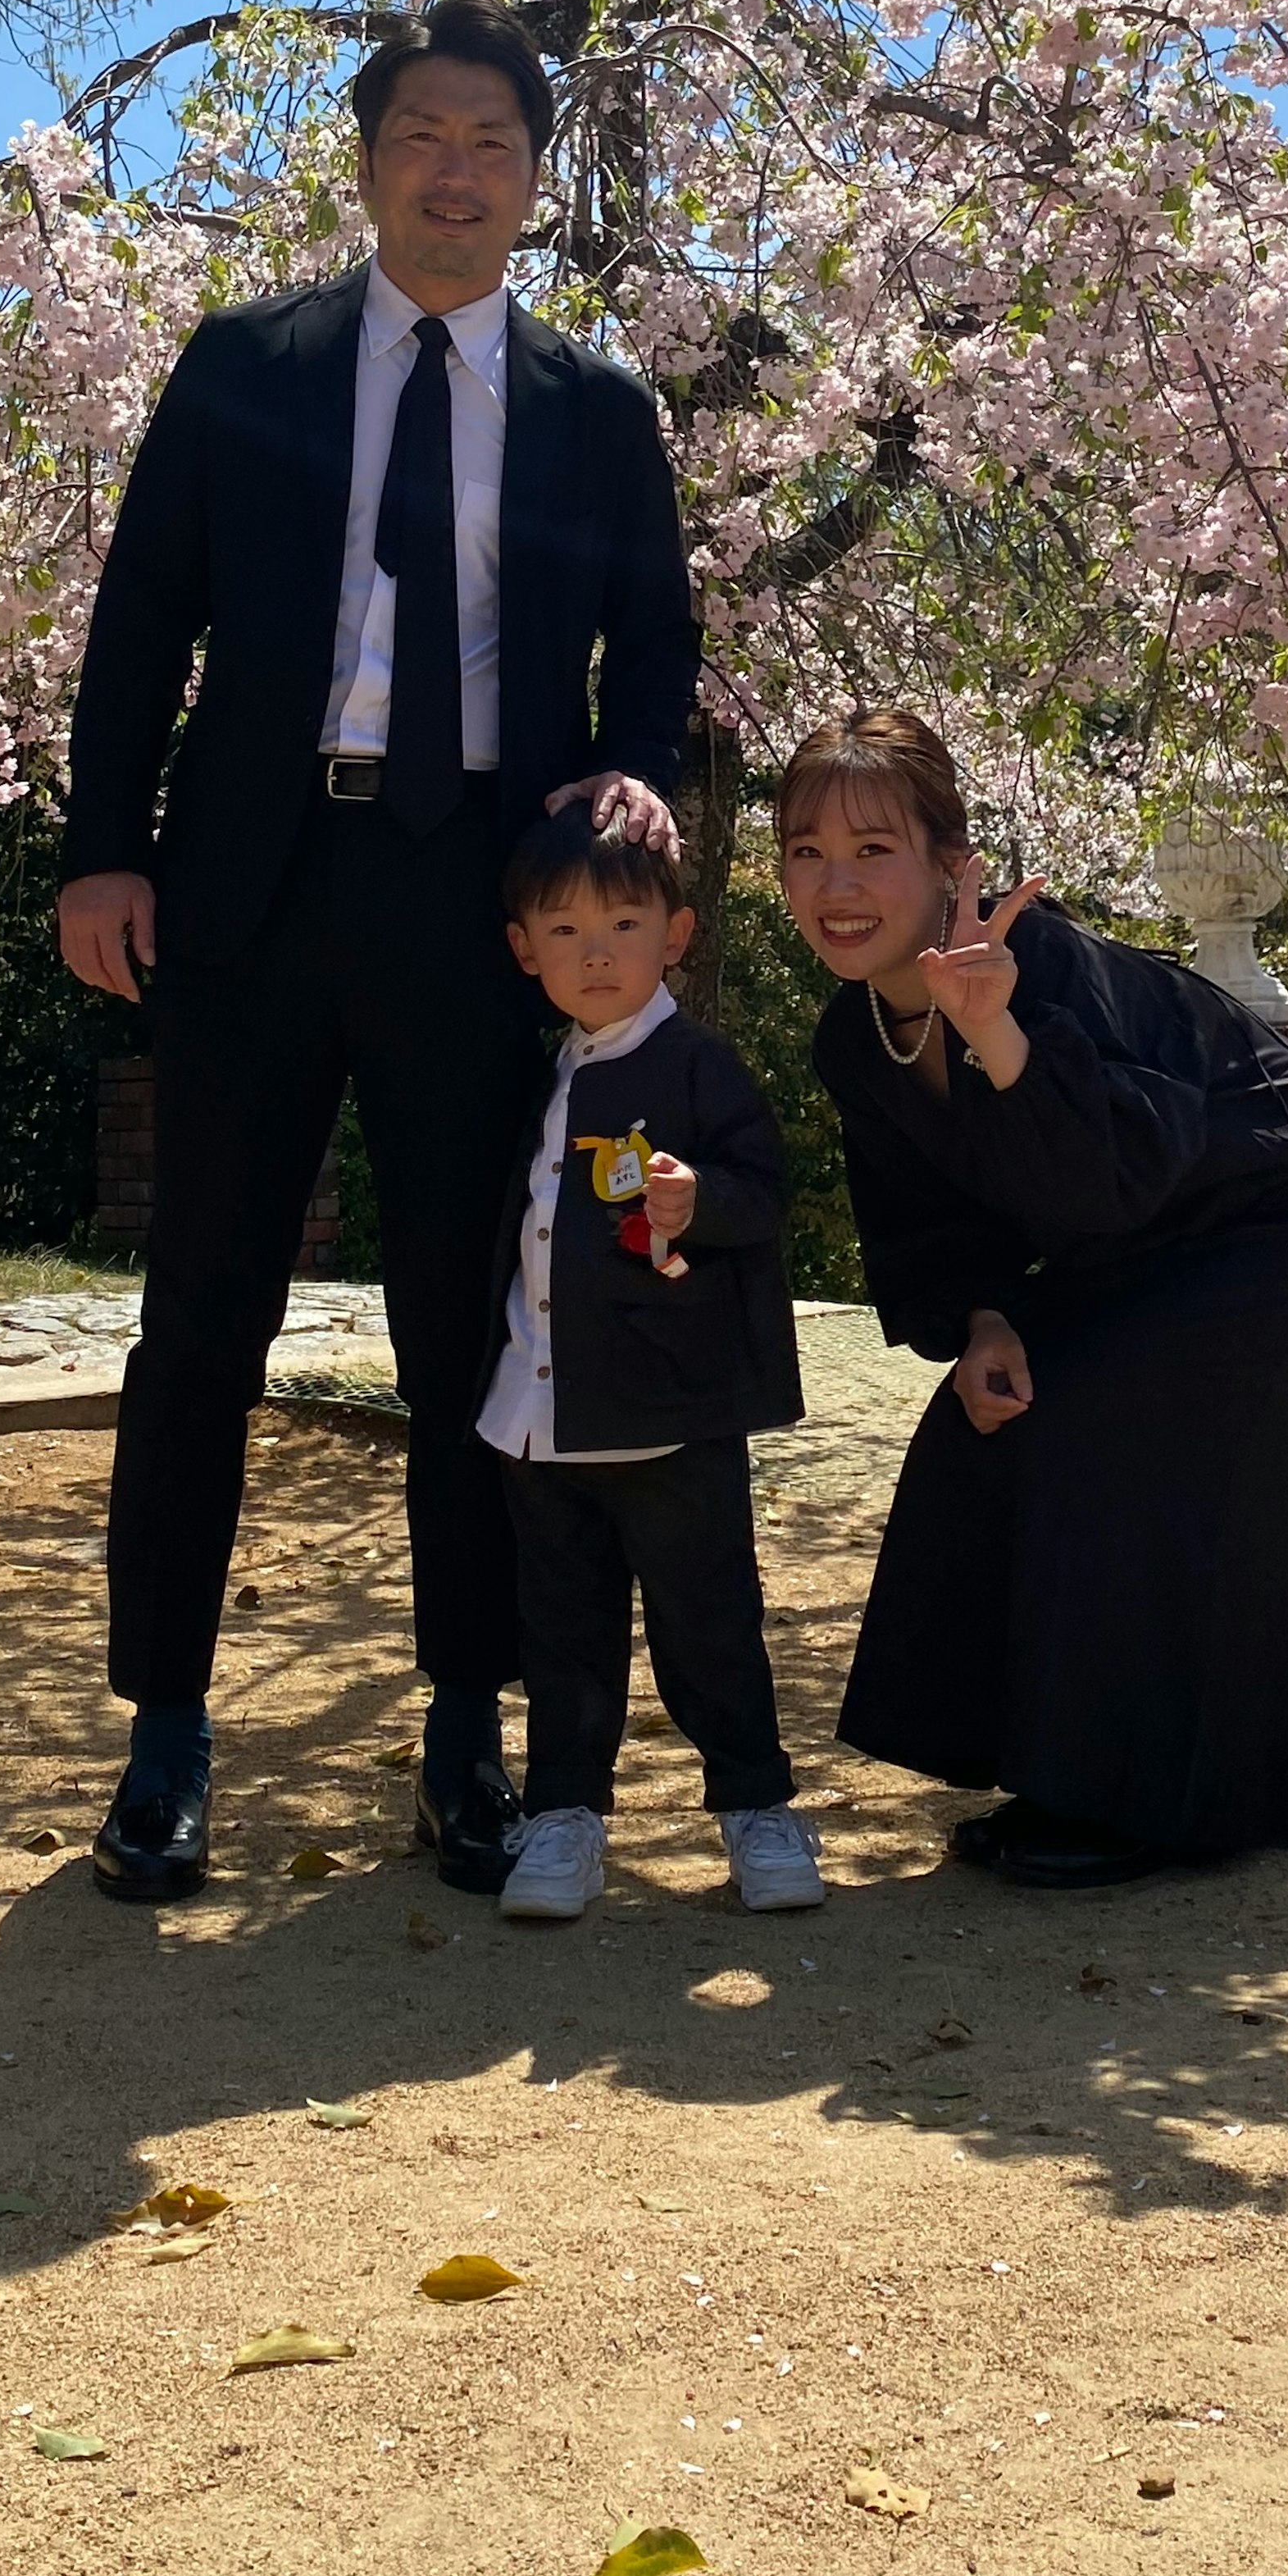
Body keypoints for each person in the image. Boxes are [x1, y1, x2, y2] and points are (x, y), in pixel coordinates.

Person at [55, 0, 698, 1904]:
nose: (455, 168)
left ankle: (464, 1727)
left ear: (533, 178)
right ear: (367, 160)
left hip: (481, 909)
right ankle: (166, 1733)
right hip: (256, 885)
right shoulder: (249, 364)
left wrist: (621, 842)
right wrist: (105, 852)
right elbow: (136, 623)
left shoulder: (597, 411)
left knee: (472, 1330)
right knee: (202, 1326)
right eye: (422, 131)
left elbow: (651, 656)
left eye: (492, 139)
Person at [775, 707, 1288, 1888]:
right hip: (1158, 1237)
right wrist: (985, 1322)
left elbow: (1114, 1177)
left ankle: (1137, 1804)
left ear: (955, 865)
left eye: (873, 851)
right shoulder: (856, 1037)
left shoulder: (1037, 964)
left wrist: (994, 1030)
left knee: (1104, 1416)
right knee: (991, 1417)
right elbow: (932, 1225)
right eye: (805, 854)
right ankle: (1053, 1766)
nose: (836, 885)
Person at [477, 807, 818, 1923]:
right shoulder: (538, 1073)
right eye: (565, 927)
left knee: (709, 1623)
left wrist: (701, 1201)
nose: (596, 950)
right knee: (563, 1636)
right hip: (541, 1417)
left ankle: (758, 1809)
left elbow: (764, 1196)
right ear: (523, 948)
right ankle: (566, 1816)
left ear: (674, 934)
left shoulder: (695, 1067)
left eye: (623, 923)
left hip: (669, 1418)